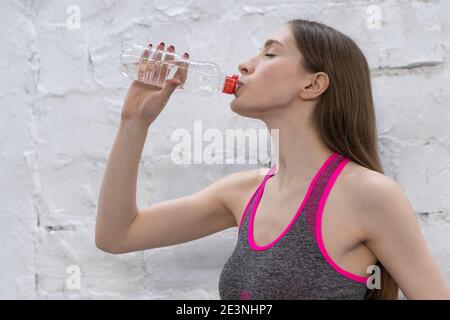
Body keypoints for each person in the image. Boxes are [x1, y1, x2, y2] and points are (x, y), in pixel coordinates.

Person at [95, 19, 450, 300]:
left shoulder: (370, 195)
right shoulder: (243, 192)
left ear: (313, 85)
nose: (244, 65)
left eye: (269, 54)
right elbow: (117, 235)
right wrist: (133, 123)